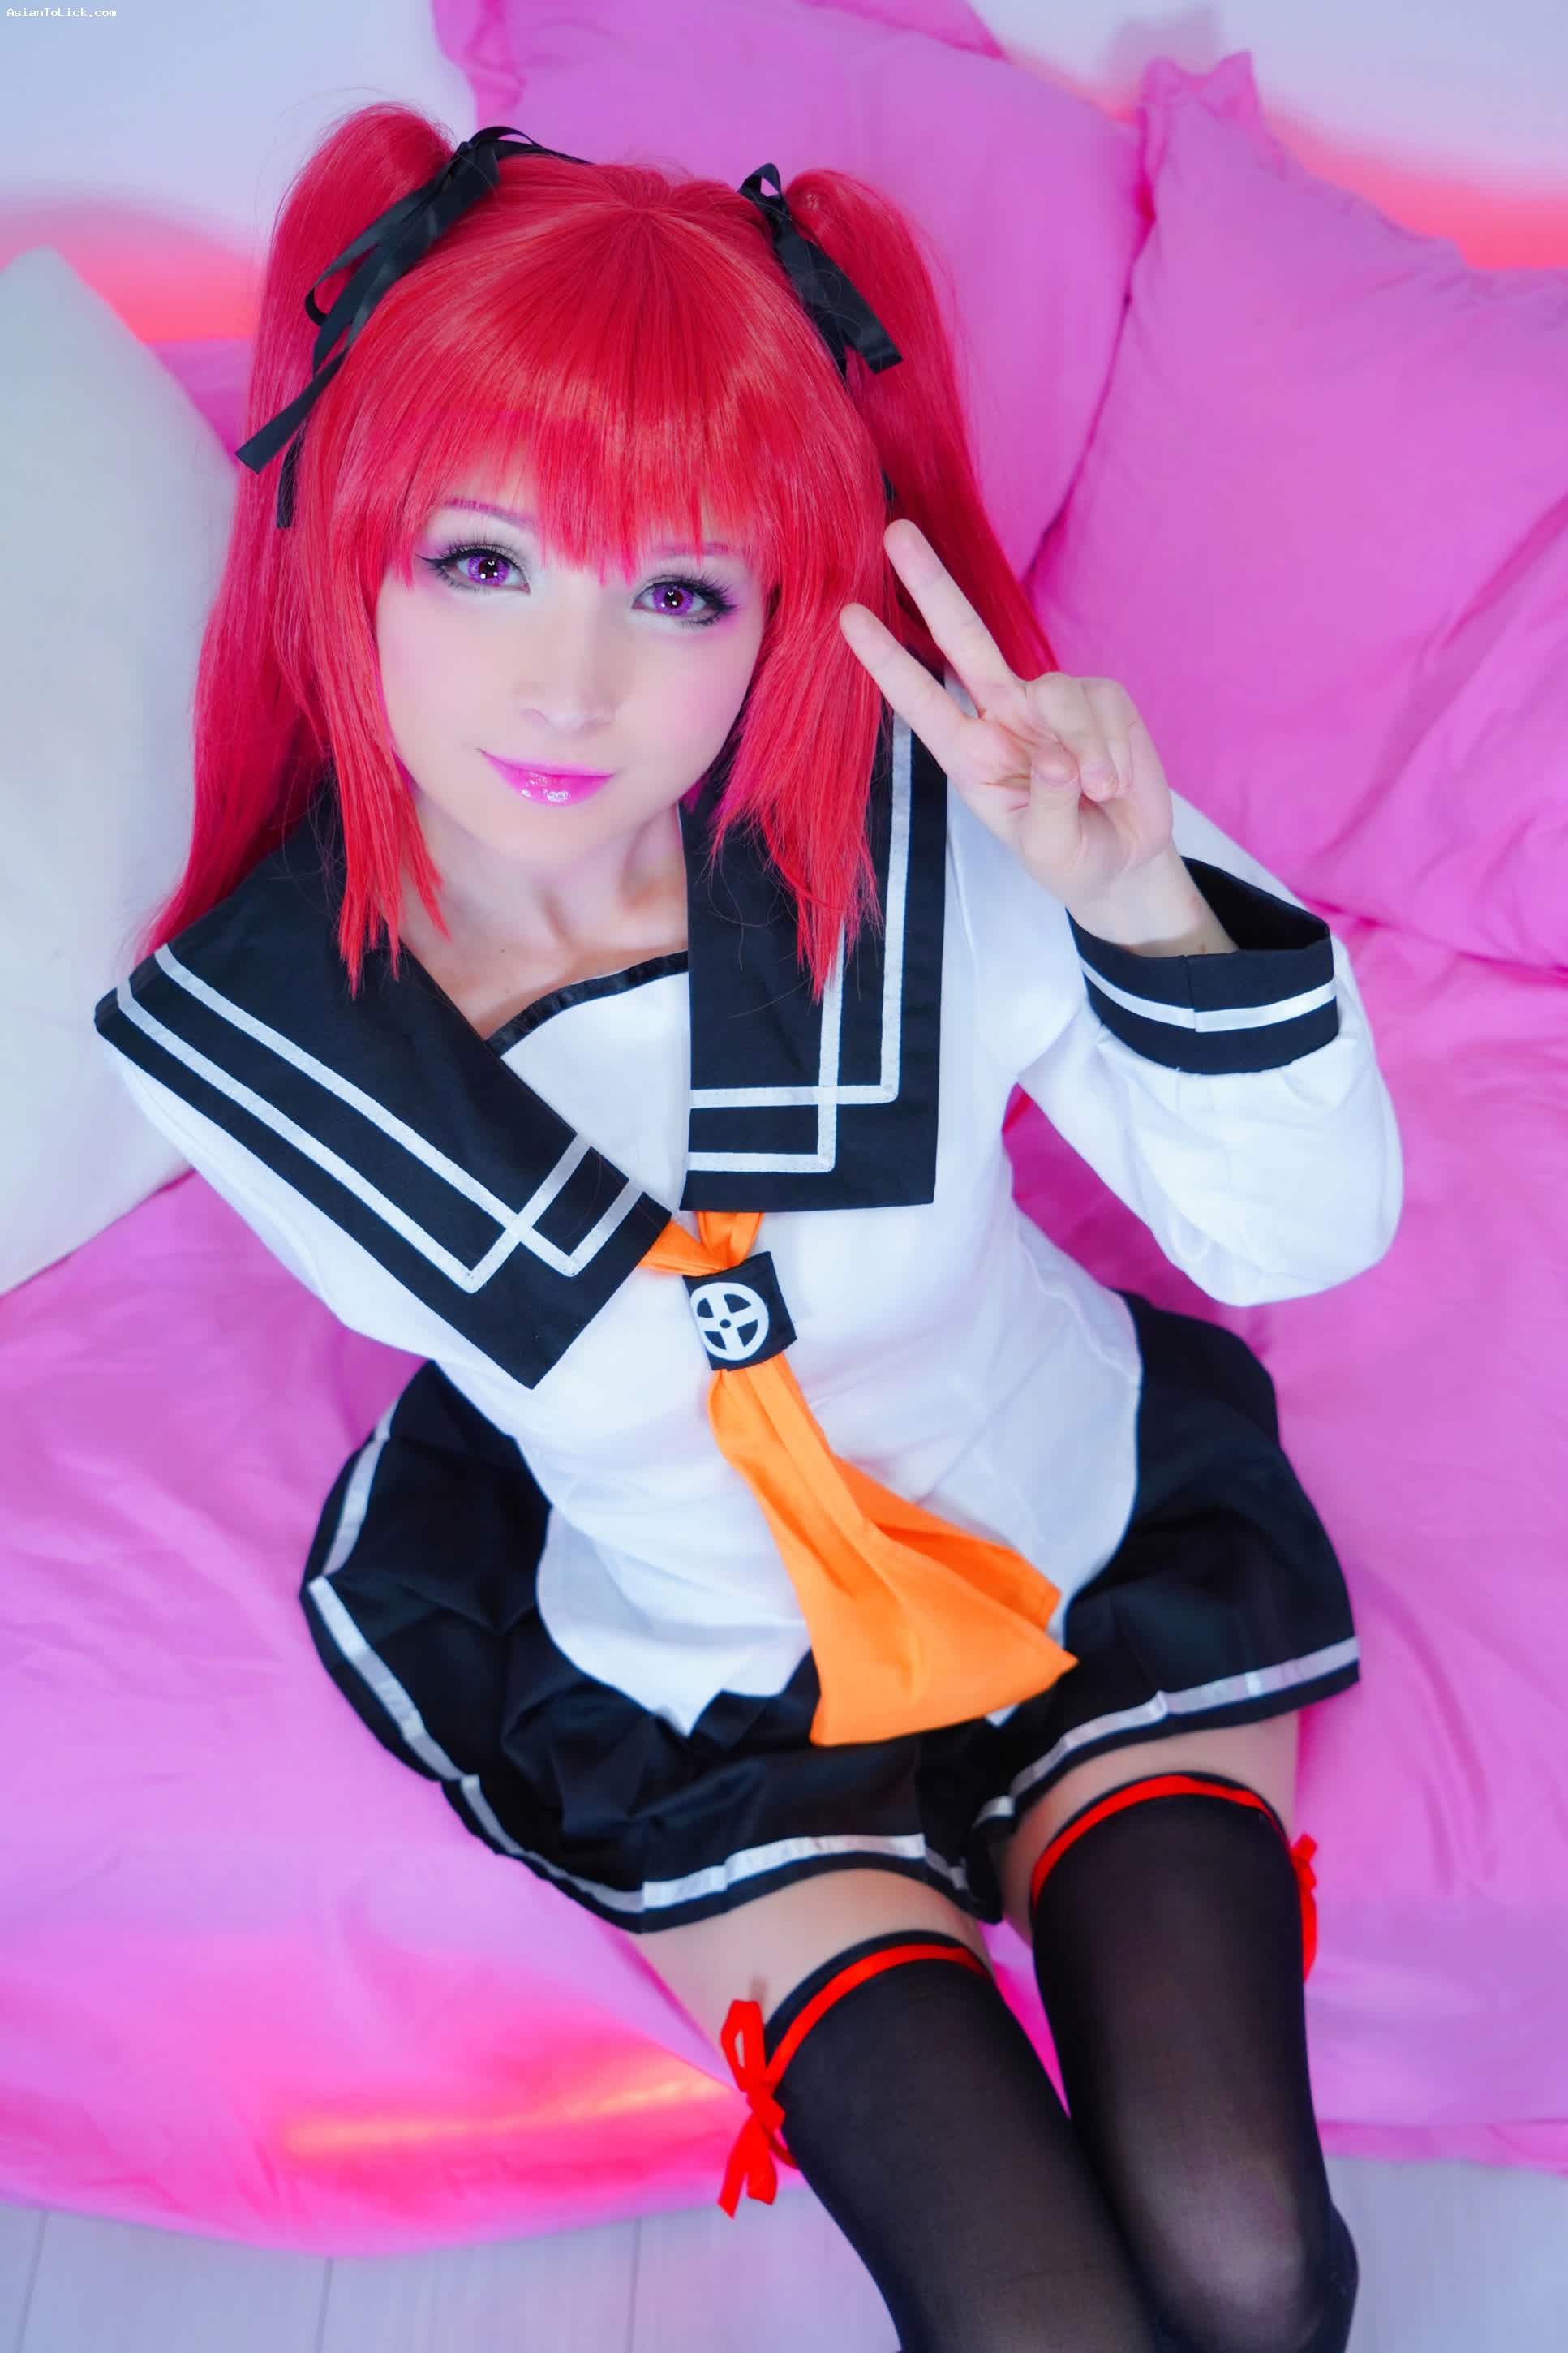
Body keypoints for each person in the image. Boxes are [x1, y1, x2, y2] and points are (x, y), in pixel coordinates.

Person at [94, 105, 1400, 2353]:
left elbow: (1304, 1232)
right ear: (348, 540)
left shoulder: (949, 829)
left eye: (678, 591)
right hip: (701, 1671)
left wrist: (1140, 910)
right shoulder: (242, 1037)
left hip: (1080, 1545)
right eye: (482, 561)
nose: (572, 687)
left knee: (1250, 2261)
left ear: (781, 604)